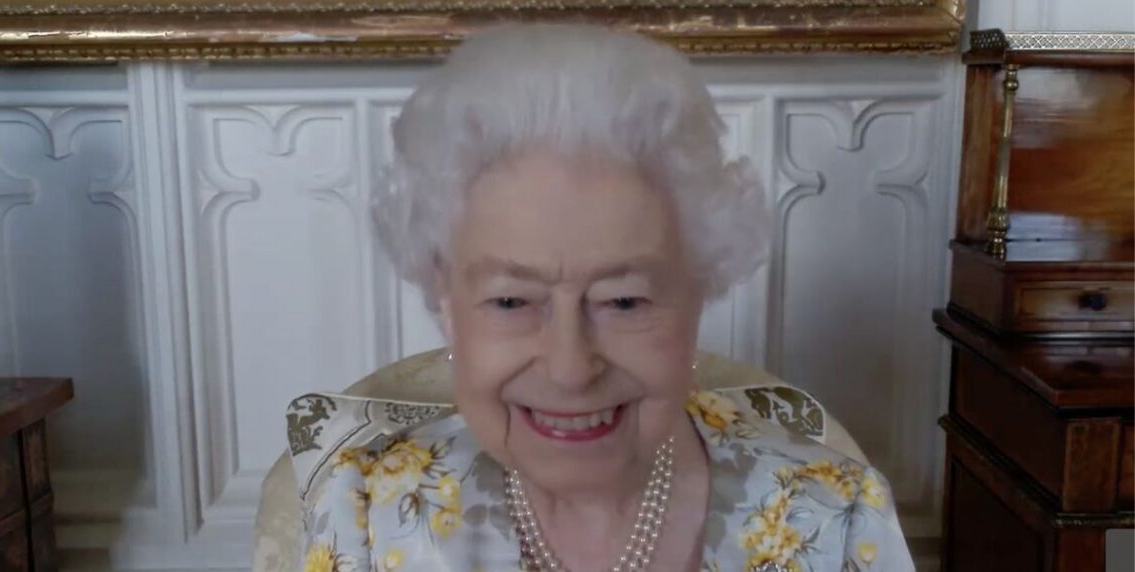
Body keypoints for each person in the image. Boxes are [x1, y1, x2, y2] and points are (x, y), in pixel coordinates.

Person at [298, 23, 915, 572]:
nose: (570, 370)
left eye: (624, 302)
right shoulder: (367, 516)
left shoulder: (831, 518)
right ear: (446, 304)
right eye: (512, 302)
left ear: (699, 291)